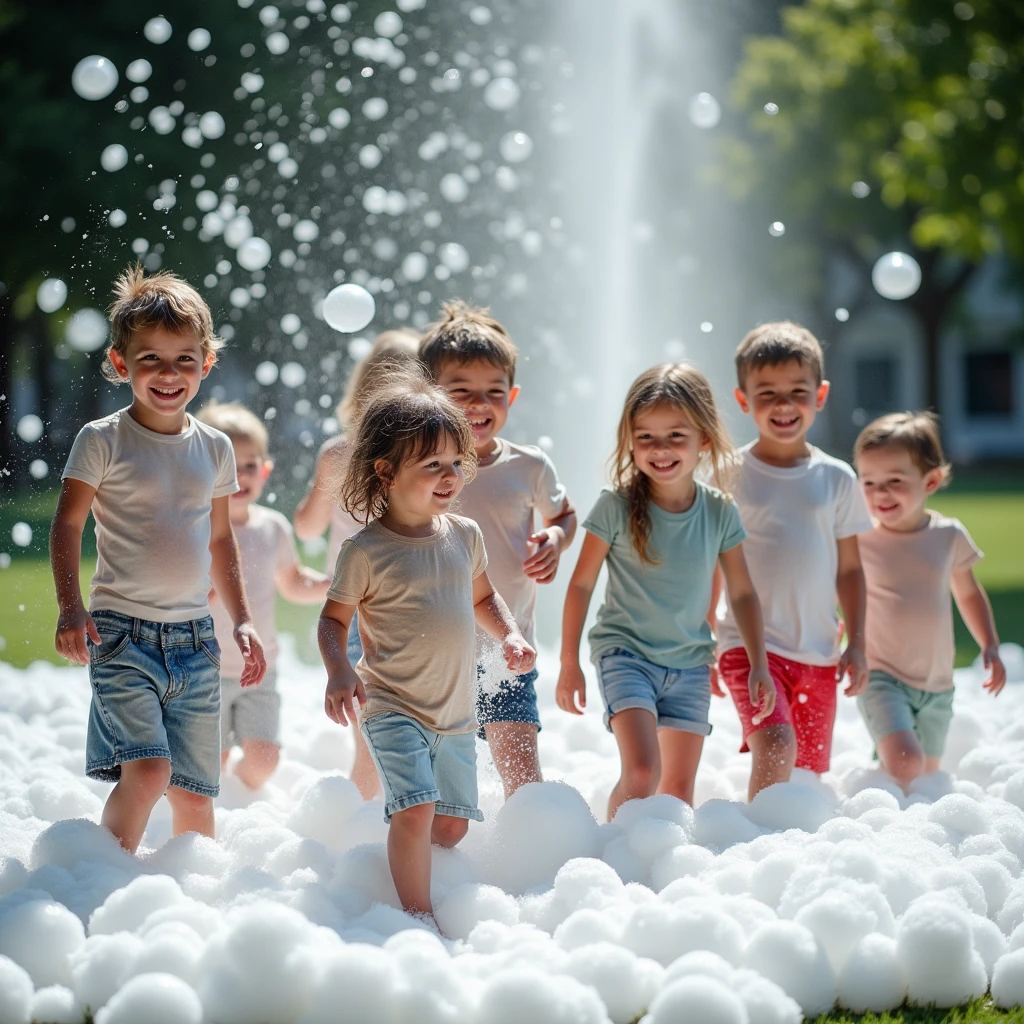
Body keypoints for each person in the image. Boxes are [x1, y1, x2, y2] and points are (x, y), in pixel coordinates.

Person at [50, 265, 266, 854]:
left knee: (195, 792)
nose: (169, 375)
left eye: (184, 360)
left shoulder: (215, 448)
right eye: (151, 360)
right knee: (147, 773)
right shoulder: (103, 439)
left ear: (207, 363)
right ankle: (102, 881)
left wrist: (242, 619)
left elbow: (222, 541)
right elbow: (66, 526)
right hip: (122, 635)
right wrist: (71, 609)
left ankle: (192, 902)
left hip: (195, 641)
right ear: (121, 364)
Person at [318, 373, 534, 921]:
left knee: (451, 825)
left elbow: (484, 597)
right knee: (415, 810)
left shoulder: (464, 535)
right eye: (431, 465)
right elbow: (331, 619)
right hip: (391, 705)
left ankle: (394, 855)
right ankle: (416, 915)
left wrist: (509, 632)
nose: (450, 475)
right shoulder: (365, 550)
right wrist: (340, 670)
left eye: (455, 462)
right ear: (386, 472)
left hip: (456, 714)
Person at [556, 364, 774, 819]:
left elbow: (744, 593)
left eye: (676, 436)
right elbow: (580, 584)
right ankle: (611, 853)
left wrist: (759, 663)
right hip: (626, 655)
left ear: (705, 441)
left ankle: (661, 881)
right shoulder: (614, 506)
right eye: (646, 437)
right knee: (641, 771)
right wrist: (568, 662)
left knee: (676, 790)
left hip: (690, 664)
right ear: (630, 441)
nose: (661, 450)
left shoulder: (719, 512)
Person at [420, 302, 577, 798]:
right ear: (429, 394)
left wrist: (554, 538)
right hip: (432, 657)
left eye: (493, 392)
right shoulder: (416, 465)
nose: (478, 404)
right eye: (461, 391)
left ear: (512, 395)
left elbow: (565, 515)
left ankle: (525, 863)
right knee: (438, 786)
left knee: (522, 779)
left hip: (508, 652)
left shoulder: (528, 467)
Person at [715, 321, 872, 798]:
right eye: (767, 393)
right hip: (748, 647)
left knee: (803, 776)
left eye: (797, 391)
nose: (783, 405)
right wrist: (700, 640)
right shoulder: (730, 475)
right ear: (743, 400)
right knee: (777, 745)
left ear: (820, 395)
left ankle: (788, 855)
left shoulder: (837, 479)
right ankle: (754, 844)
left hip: (819, 650)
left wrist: (858, 641)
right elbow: (708, 563)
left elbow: (850, 569)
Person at [294, 328, 420, 799]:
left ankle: (362, 824)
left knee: (368, 738)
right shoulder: (421, 458)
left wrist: (308, 511)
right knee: (415, 726)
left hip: (352, 608)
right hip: (410, 607)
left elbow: (307, 528)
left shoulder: (338, 454)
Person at [854, 411, 1005, 788]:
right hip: (882, 675)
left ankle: (891, 797)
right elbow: (837, 589)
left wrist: (989, 644)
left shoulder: (948, 537)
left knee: (928, 776)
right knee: (907, 763)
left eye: (894, 481)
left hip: (938, 683)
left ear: (931, 481)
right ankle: (882, 786)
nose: (880, 492)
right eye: (869, 482)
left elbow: (968, 592)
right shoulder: (860, 541)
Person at [196, 401, 331, 790]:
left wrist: (329, 586)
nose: (239, 477)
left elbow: (290, 581)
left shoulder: (273, 527)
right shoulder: (196, 529)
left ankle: (243, 799)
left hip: (260, 667)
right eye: (226, 467)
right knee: (209, 765)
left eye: (249, 467)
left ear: (266, 470)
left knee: (263, 762)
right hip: (203, 670)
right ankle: (211, 822)